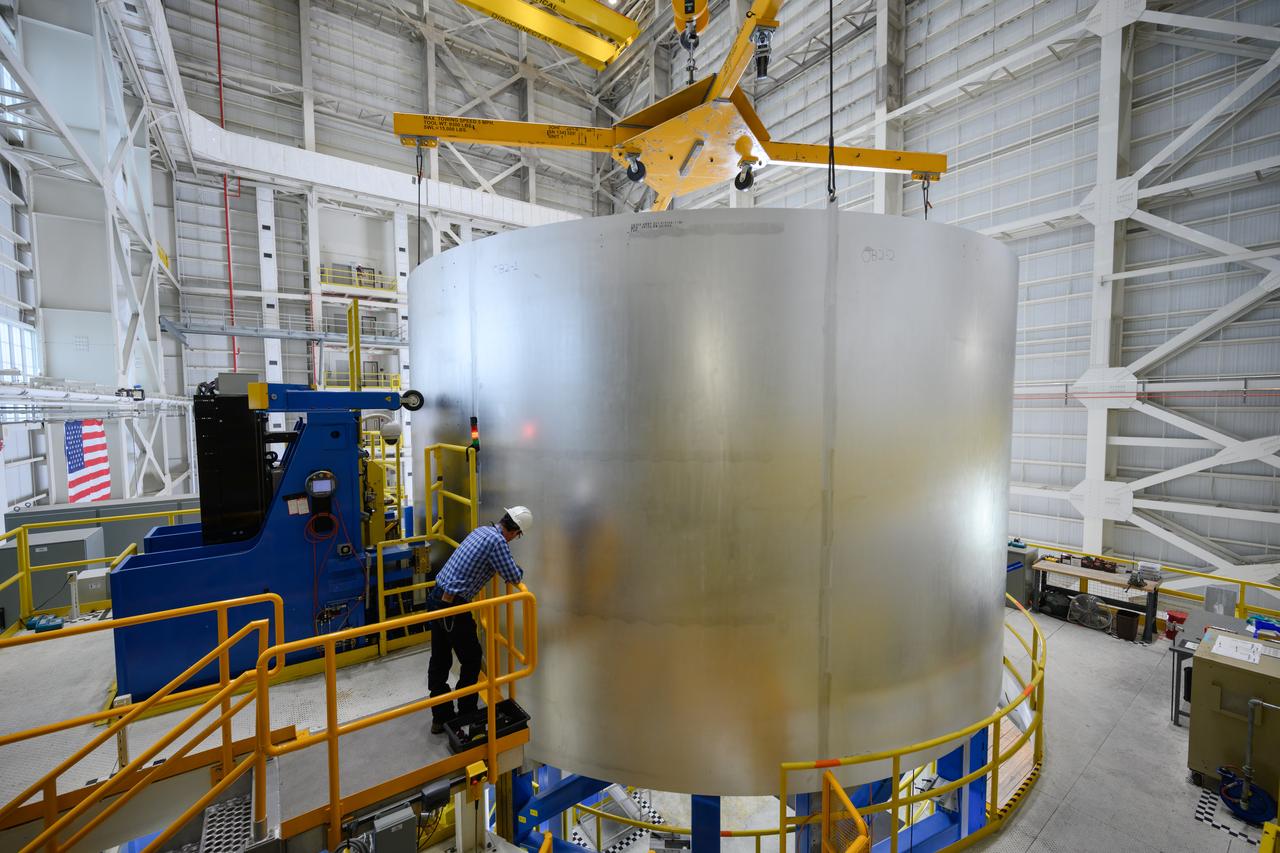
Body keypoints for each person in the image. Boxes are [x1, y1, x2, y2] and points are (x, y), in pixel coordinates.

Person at [427, 505, 532, 734]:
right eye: (518, 535)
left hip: (437, 597)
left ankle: (440, 717)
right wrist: (518, 569)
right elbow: (514, 575)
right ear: (515, 532)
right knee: (472, 658)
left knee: (440, 659)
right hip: (453, 606)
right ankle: (465, 712)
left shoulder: (481, 531)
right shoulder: (498, 543)